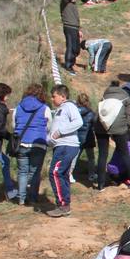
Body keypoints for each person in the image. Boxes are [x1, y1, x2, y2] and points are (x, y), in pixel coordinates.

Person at [11, 83, 51, 207]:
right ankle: (33, 198)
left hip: (22, 143)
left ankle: (21, 199)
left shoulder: (18, 107)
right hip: (38, 144)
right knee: (35, 172)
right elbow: (49, 126)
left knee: (22, 172)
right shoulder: (45, 108)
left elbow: (14, 125)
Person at [46, 84, 82, 218]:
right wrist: (50, 139)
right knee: (62, 174)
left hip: (67, 146)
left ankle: (63, 205)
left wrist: (60, 132)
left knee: (55, 173)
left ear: (63, 96)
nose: (51, 98)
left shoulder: (69, 106)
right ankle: (65, 204)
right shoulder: (60, 109)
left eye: (54, 96)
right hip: (61, 146)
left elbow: (79, 122)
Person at [95, 80, 130, 190]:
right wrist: (125, 128)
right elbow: (129, 115)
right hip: (119, 127)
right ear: (119, 87)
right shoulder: (124, 96)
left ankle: (100, 185)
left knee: (102, 155)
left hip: (101, 126)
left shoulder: (104, 96)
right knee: (125, 153)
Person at [74, 92, 97, 187]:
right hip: (88, 137)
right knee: (91, 157)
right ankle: (91, 175)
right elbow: (95, 125)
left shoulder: (75, 112)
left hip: (78, 136)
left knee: (75, 157)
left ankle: (69, 173)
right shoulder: (91, 113)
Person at [60, 0, 81, 75]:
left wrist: (79, 30)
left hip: (75, 28)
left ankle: (71, 63)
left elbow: (76, 18)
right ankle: (68, 66)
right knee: (71, 47)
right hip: (69, 27)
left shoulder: (73, 5)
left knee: (76, 49)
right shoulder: (64, 3)